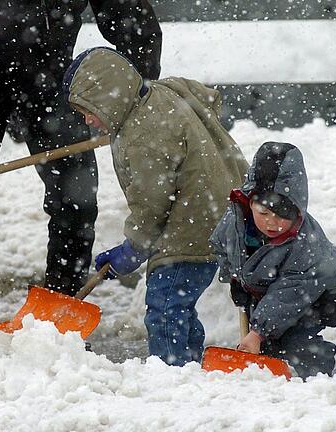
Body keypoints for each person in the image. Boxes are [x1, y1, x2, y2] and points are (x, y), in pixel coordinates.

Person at [0, 1, 163, 324]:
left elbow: (131, 19)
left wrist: (136, 91)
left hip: (52, 86)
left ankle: (59, 316)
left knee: (76, 203)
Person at [62, 47, 249, 366]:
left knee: (165, 308)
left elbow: (152, 201)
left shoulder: (143, 133)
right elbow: (206, 97)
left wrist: (133, 248)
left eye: (88, 109)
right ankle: (189, 366)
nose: (88, 119)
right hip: (221, 211)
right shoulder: (164, 92)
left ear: (109, 96)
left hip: (190, 228)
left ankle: (171, 373)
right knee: (180, 305)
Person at [210, 142, 336, 379]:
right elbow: (221, 247)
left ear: (298, 210)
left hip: (318, 290)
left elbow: (288, 296)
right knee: (268, 344)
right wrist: (234, 277)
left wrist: (257, 333)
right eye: (263, 214)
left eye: (283, 216)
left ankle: (318, 378)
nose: (272, 223)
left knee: (295, 341)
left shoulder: (307, 244)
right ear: (249, 202)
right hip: (267, 285)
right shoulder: (234, 223)